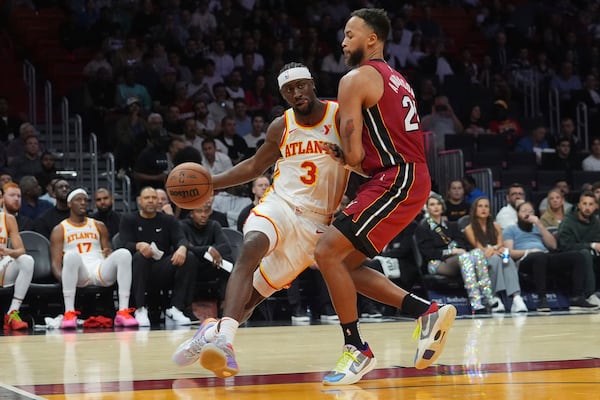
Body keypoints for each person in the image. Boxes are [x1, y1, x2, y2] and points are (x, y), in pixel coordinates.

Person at [172, 62, 350, 375]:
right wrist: (211, 182)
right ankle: (226, 343)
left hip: (314, 225)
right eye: (288, 90)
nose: (296, 94)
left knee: (250, 301)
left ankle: (210, 333)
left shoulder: (340, 115)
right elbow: (255, 167)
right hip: (279, 203)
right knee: (250, 247)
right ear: (283, 95)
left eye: (300, 86)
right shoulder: (281, 126)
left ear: (312, 84)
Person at [313, 9, 456, 385]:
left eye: (349, 34)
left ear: (371, 39)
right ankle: (426, 312)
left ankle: (355, 349)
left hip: (397, 177)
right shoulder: (396, 79)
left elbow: (355, 156)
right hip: (406, 176)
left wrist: (337, 153)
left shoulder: (354, 79)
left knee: (326, 252)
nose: (342, 42)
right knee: (342, 264)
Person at [49, 189, 139, 329]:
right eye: (78, 199)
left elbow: (107, 252)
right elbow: (55, 264)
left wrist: (110, 255)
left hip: (99, 269)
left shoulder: (98, 225)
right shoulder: (60, 229)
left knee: (124, 253)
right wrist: (67, 280)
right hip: (79, 274)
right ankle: (69, 313)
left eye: (85, 199)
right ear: (69, 204)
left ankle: (122, 312)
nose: (83, 202)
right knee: (71, 255)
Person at [119, 187, 196, 327]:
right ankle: (140, 309)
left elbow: (181, 238)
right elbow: (122, 244)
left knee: (189, 257)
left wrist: (182, 248)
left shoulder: (168, 220)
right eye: (147, 198)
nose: (151, 201)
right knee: (139, 257)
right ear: (139, 201)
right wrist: (138, 245)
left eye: (154, 198)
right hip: (137, 270)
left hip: (163, 267)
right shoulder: (129, 219)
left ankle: (175, 308)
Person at [503, 201, 598, 311]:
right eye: (524, 211)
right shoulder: (510, 229)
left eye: (530, 211)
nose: (527, 214)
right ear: (517, 214)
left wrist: (539, 224)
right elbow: (509, 252)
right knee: (539, 256)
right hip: (524, 259)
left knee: (578, 256)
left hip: (545, 256)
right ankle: (542, 299)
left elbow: (553, 245)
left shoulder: (538, 227)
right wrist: (529, 251)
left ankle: (577, 297)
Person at [416, 194, 493, 314]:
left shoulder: (452, 225)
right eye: (432, 204)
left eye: (438, 204)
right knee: (465, 258)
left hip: (459, 258)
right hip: (436, 262)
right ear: (427, 208)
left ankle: (488, 296)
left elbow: (463, 244)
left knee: (477, 253)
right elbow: (428, 252)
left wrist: (458, 250)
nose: (436, 207)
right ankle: (476, 302)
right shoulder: (423, 227)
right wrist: (451, 251)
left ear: (442, 207)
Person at [464, 197, 528, 313]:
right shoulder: (469, 228)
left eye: (486, 206)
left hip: (496, 255)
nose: (484, 209)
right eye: (480, 206)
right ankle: (495, 297)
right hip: (479, 260)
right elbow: (481, 248)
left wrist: (497, 249)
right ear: (474, 210)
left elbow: (500, 244)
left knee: (507, 259)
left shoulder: (496, 226)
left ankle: (516, 298)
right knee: (495, 260)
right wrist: (495, 249)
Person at [557, 191, 600, 299]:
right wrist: (591, 245)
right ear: (579, 205)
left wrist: (594, 246)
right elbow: (565, 246)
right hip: (567, 255)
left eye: (591, 204)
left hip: (589, 252)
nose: (587, 207)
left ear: (596, 207)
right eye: (584, 204)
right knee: (585, 254)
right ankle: (590, 294)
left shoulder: (596, 222)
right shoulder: (568, 222)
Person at [0, 201, 34, 330]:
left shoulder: (8, 218)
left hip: (2, 265)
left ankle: (12, 314)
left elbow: (21, 250)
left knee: (27, 260)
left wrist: (9, 252)